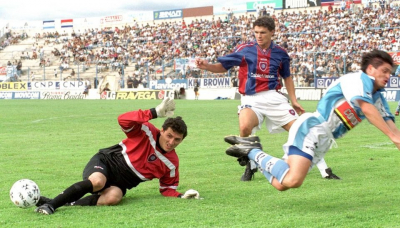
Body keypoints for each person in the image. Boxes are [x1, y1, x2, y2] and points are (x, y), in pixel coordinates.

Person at [225, 50, 400, 191]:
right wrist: (392, 137)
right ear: (370, 69)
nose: (387, 76)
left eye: (390, 73)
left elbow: (393, 129)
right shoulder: (358, 80)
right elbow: (366, 108)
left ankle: (251, 151)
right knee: (293, 180)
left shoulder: (379, 97)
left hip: (324, 140)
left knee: (281, 184)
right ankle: (253, 150)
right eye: (384, 71)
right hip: (312, 129)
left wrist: (396, 138)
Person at [195, 16, 338, 181]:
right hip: (250, 99)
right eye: (256, 32)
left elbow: (287, 77)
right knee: (245, 128)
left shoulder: (281, 54)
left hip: (274, 98)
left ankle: (325, 170)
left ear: (272, 32)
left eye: (263, 32)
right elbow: (223, 67)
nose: (259, 36)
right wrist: (207, 66)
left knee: (301, 132)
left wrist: (294, 100)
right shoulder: (245, 49)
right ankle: (251, 166)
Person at [35, 98, 201, 215]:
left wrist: (182, 195)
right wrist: (153, 112)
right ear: (162, 130)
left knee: (113, 197)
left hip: (121, 183)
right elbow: (123, 120)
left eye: (177, 139)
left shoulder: (172, 163)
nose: (171, 142)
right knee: (98, 183)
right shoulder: (146, 131)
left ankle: (66, 201)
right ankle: (51, 205)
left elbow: (167, 189)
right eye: (169, 135)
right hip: (106, 162)